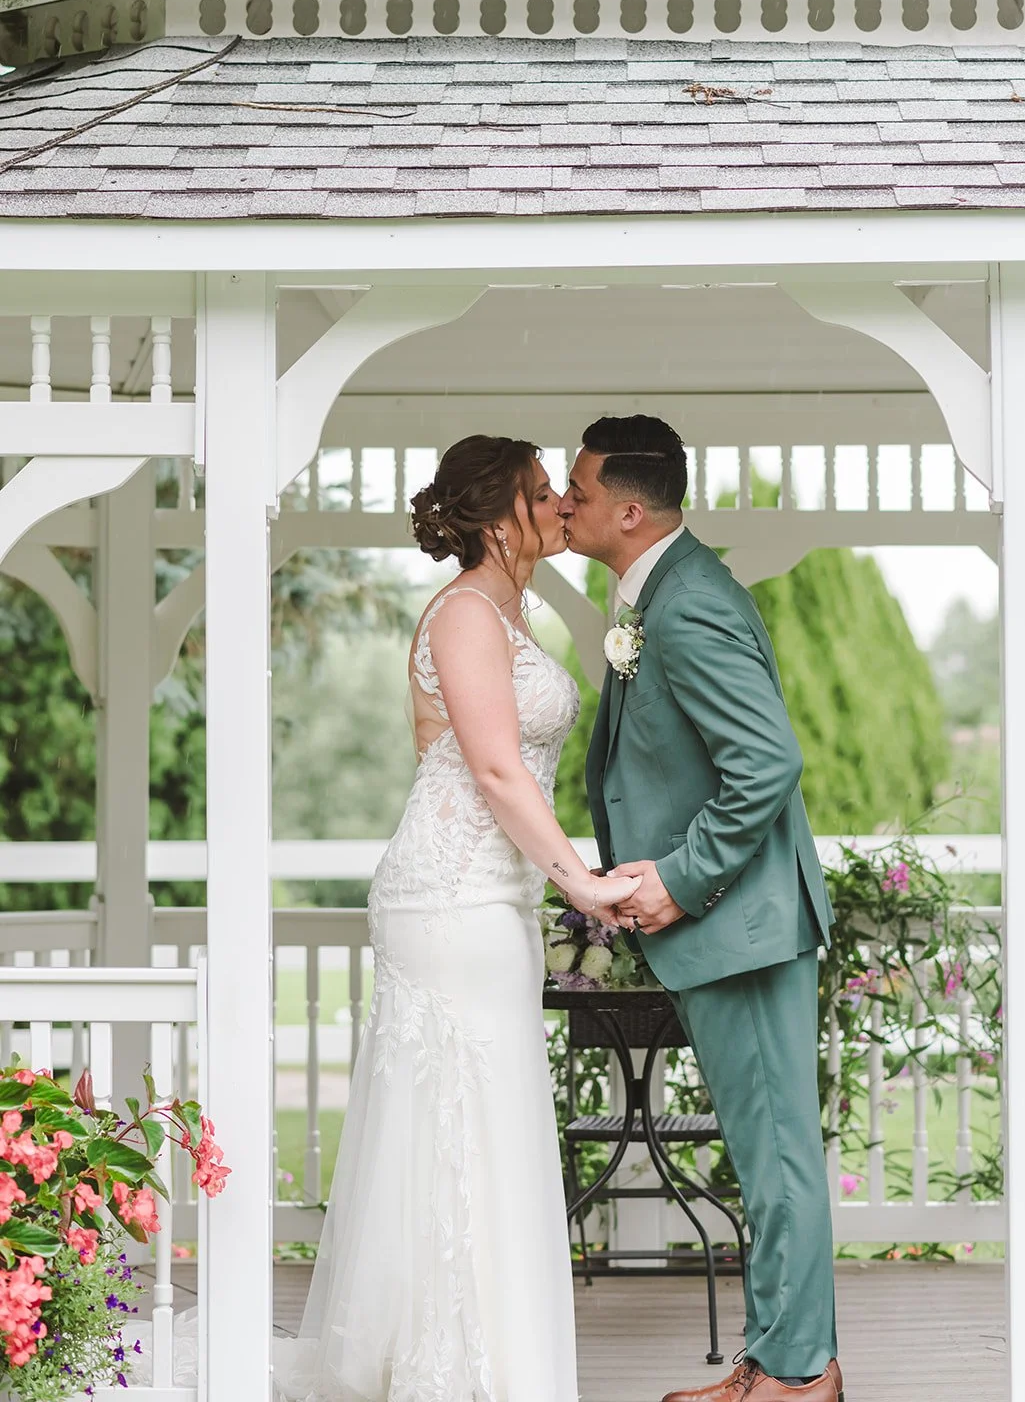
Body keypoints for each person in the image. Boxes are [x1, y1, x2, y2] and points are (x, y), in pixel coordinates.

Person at [271, 433, 641, 1402]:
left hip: (490, 897)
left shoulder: (509, 618)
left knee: (483, 1124)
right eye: (542, 490)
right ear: (498, 516)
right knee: (461, 1124)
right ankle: (459, 1370)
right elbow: (491, 769)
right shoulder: (468, 612)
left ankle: (481, 1359)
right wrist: (583, 883)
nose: (564, 501)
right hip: (450, 897)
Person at [559, 415, 843, 1402]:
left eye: (580, 490)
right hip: (735, 925)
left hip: (741, 922)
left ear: (629, 511)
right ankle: (773, 1359)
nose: (564, 501)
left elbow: (767, 761)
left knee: (777, 1157)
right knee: (763, 1154)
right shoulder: (665, 590)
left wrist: (678, 878)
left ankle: (803, 1374)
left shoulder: (684, 605)